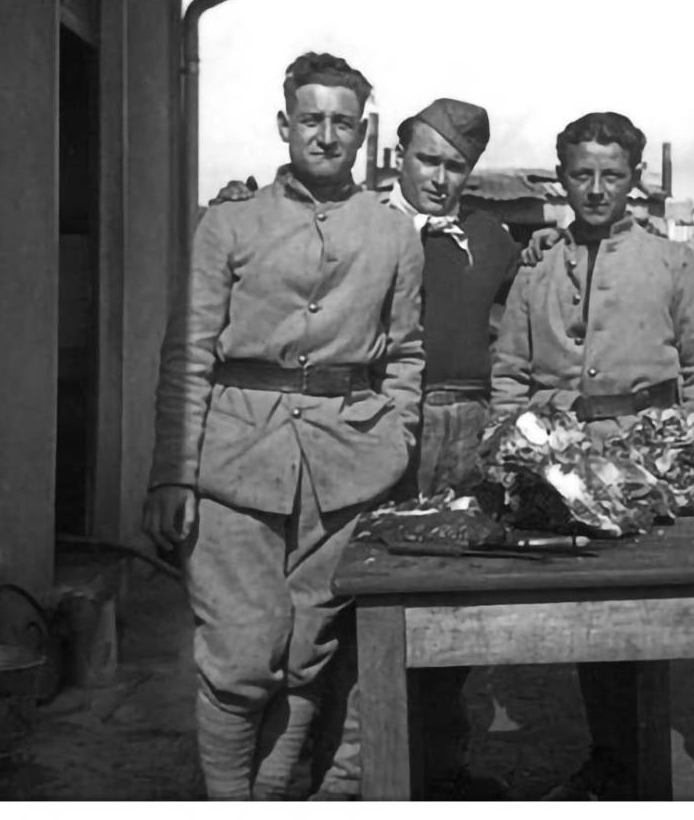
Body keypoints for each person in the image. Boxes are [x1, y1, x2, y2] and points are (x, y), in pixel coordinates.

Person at [211, 97, 518, 800]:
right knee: (348, 605)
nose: (440, 179)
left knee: (446, 608)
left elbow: (509, 331)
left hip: (462, 430)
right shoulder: (364, 226)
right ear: (396, 156)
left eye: (456, 167)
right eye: (427, 160)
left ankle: (437, 765)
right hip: (370, 426)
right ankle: (341, 775)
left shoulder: (492, 236)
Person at [143, 51, 425, 801]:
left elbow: (405, 352)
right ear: (283, 125)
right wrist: (172, 470)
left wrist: (393, 438)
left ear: (363, 133)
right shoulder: (228, 224)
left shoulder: (394, 234)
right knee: (241, 660)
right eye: (311, 119)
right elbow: (190, 350)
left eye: (342, 122)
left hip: (350, 467)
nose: (325, 136)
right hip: (237, 460)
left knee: (307, 653)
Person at [491, 110, 694, 799]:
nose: (595, 188)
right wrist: (517, 448)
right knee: (587, 618)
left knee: (657, 615)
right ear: (561, 178)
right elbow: (508, 374)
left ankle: (662, 768)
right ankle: (611, 764)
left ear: (633, 180)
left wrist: (686, 456)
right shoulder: (536, 267)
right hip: (558, 466)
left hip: (646, 465)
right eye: (581, 174)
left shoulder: (672, 261)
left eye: (610, 175)